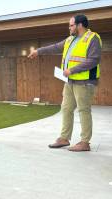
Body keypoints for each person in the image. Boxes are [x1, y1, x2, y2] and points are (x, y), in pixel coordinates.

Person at [28, 14, 102, 152]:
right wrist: (38, 51)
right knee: (66, 108)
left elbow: (94, 60)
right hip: (70, 81)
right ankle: (64, 138)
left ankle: (85, 142)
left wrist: (72, 70)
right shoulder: (70, 39)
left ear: (80, 25)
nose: (69, 28)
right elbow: (55, 47)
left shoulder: (93, 38)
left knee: (83, 110)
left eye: (71, 25)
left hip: (84, 82)